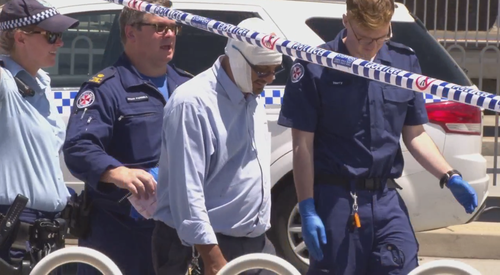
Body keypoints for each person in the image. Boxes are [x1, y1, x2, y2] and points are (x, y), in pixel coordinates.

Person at [277, 0, 478, 274]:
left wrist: (449, 175)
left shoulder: (402, 62)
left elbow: (415, 134)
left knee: (404, 266)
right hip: (337, 198)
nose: (372, 46)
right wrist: (307, 206)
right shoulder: (316, 65)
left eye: (381, 37)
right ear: (346, 21)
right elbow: (302, 146)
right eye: (364, 38)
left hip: (386, 198)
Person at [62, 0, 192, 274]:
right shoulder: (106, 88)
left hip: (176, 230)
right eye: (159, 27)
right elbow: (79, 147)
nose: (169, 34)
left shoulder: (187, 86)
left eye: (173, 27)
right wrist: (117, 172)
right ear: (131, 32)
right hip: (120, 233)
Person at [151, 17, 283, 275]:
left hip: (254, 243)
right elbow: (187, 192)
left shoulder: (251, 94)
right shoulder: (192, 104)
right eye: (262, 71)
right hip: (201, 247)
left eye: (274, 70)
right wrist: (212, 258)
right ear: (236, 58)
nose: (269, 79)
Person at [0, 0, 79, 271]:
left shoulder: (42, 82)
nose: (60, 43)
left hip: (50, 231)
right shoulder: (3, 81)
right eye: (51, 36)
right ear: (20, 37)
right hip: (13, 231)